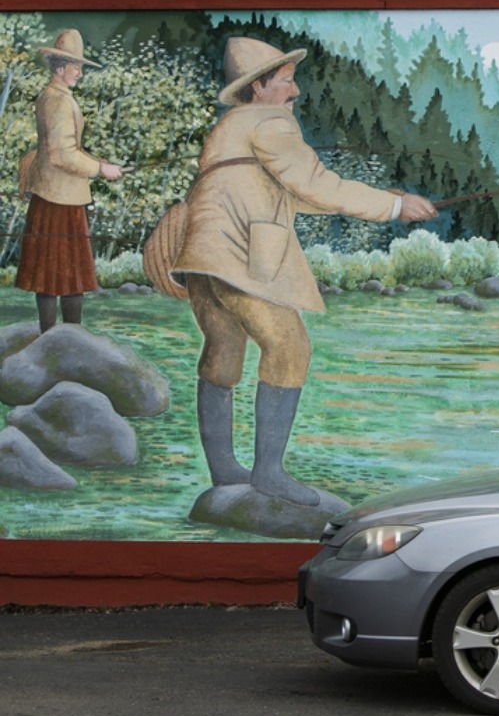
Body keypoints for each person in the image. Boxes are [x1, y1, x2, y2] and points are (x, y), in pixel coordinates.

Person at [171, 37, 439, 506]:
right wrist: (395, 206)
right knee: (289, 346)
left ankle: (224, 470)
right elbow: (315, 183)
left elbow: (285, 192)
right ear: (259, 86)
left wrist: (382, 203)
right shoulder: (270, 121)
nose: (295, 93)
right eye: (287, 81)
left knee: (223, 350)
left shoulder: (230, 127)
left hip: (202, 256)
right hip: (242, 253)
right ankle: (269, 475)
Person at [17, 29, 124, 333]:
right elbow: (62, 155)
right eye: (76, 66)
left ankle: (64, 339)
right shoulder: (58, 101)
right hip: (59, 198)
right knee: (59, 274)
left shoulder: (55, 97)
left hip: (57, 195)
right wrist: (101, 170)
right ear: (60, 68)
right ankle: (61, 340)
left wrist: (101, 163)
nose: (79, 72)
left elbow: (67, 150)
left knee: (59, 273)